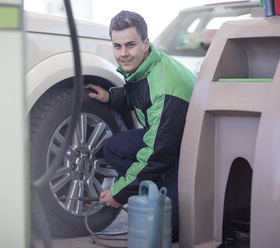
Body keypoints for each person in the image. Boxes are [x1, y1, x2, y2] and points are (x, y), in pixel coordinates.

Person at [85, 10, 196, 242]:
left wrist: (120, 192)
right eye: (117, 46)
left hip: (189, 153)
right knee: (114, 147)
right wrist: (111, 96)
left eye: (130, 45)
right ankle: (151, 184)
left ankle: (156, 187)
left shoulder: (166, 88)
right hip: (169, 140)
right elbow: (138, 92)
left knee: (170, 229)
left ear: (146, 43)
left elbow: (157, 153)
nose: (123, 54)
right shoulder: (146, 65)